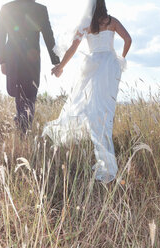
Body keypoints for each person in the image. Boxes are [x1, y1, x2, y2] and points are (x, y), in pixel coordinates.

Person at [42, 0, 132, 183]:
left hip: (92, 67)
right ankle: (106, 163)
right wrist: (120, 58)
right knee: (104, 114)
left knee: (93, 112)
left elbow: (73, 49)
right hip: (109, 67)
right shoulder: (112, 21)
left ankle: (106, 163)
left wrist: (60, 66)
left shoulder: (86, 25)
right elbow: (128, 40)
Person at [0, 0, 60, 133]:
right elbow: (49, 37)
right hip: (31, 58)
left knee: (22, 93)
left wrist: (2, 60)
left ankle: (22, 125)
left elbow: (0, 37)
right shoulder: (40, 9)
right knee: (28, 93)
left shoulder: (7, 8)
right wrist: (56, 62)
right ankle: (23, 124)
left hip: (15, 58)